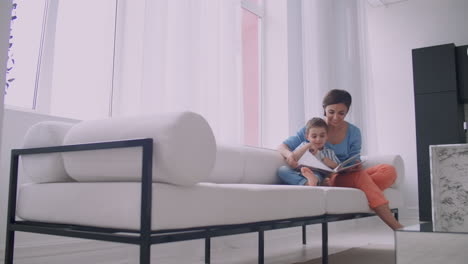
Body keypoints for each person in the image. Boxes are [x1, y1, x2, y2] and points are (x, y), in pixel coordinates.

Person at [277, 89, 403, 230]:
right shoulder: (314, 128)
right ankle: (397, 227)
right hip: (330, 177)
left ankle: (364, 189)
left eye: (341, 113)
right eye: (331, 112)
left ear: (347, 112)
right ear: (324, 109)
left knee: (389, 170)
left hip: (345, 174)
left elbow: (355, 157)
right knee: (361, 178)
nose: (336, 117)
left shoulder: (354, 132)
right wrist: (290, 156)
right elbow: (282, 146)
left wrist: (354, 165)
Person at [277, 117, 340, 186]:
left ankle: (310, 182)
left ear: (327, 136)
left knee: (318, 176)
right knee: (282, 170)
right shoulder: (304, 146)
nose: (318, 139)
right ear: (307, 137)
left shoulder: (329, 152)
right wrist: (308, 145)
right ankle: (307, 183)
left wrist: (331, 163)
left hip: (316, 175)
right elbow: (293, 157)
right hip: (299, 173)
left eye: (322, 136)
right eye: (314, 136)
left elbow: (339, 168)